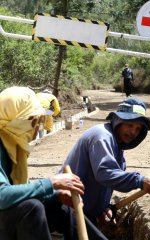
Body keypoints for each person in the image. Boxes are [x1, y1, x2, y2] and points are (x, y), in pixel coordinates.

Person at [0, 86, 107, 240]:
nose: (37, 128)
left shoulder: (13, 145)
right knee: (31, 208)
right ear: (16, 119)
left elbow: (20, 190)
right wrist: (52, 183)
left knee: (61, 205)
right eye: (32, 121)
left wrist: (55, 195)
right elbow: (2, 197)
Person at [60, 98, 150, 225]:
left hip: (81, 211)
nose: (133, 132)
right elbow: (105, 174)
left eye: (138, 128)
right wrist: (139, 180)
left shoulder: (116, 144)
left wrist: (102, 207)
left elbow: (103, 181)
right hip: (65, 210)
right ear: (118, 121)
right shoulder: (103, 136)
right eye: (130, 125)